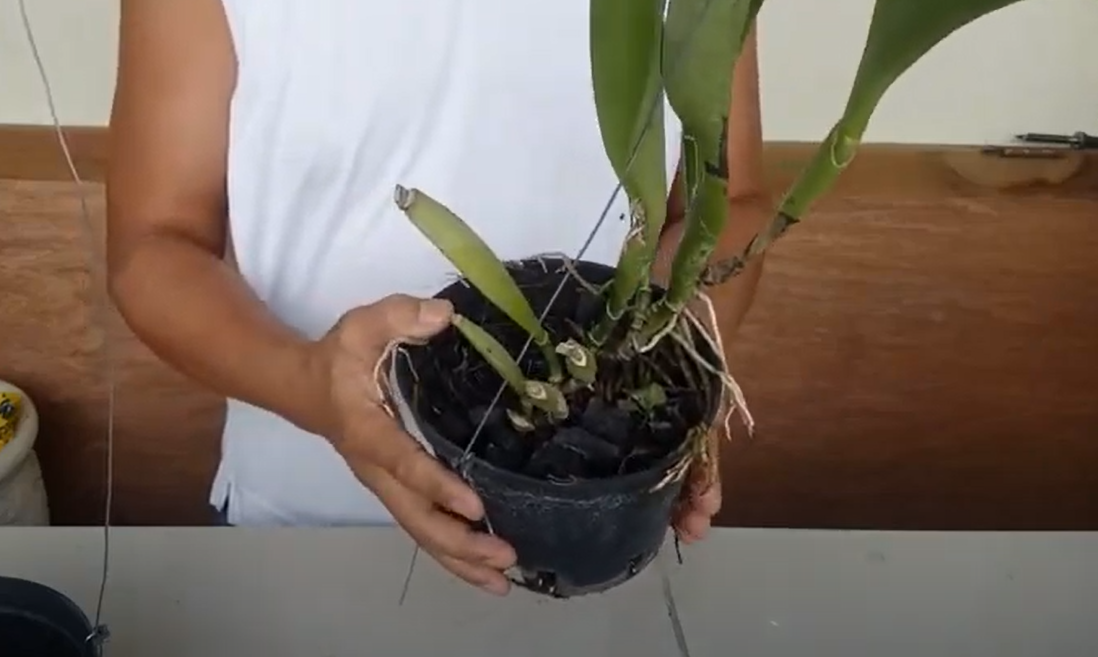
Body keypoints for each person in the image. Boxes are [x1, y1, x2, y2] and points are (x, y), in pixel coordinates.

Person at [106, 0, 770, 596]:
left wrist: (668, 364)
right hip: (301, 532)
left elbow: (726, 204)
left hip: (593, 515)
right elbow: (156, 244)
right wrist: (310, 383)